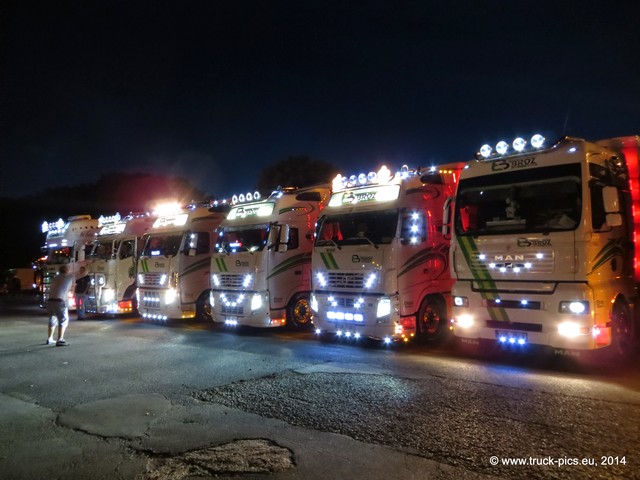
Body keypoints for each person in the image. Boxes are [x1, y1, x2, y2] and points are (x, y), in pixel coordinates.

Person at [46, 265, 75, 346]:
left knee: (52, 318)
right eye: (68, 269)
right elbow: (79, 275)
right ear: (66, 270)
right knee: (63, 320)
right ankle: (60, 340)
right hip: (60, 301)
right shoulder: (69, 277)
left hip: (51, 300)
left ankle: (50, 338)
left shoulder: (55, 278)